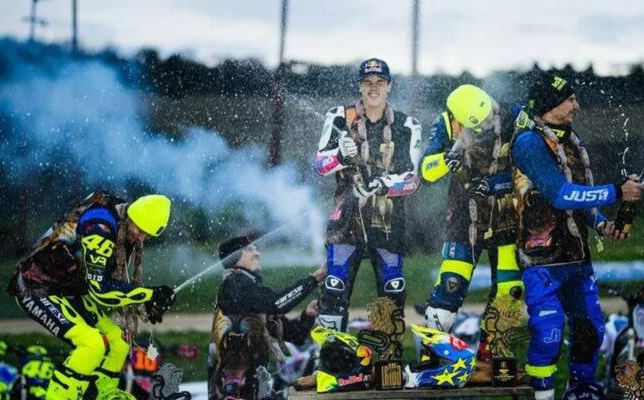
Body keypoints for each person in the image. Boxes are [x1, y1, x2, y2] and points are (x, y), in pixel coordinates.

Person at [510, 72, 644, 400]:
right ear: (550, 105)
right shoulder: (529, 142)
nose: (576, 105)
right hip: (542, 259)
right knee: (549, 333)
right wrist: (616, 191)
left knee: (590, 330)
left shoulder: (570, 138)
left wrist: (600, 225)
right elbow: (560, 195)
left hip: (577, 257)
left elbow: (581, 198)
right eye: (570, 99)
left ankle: (581, 391)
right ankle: (542, 395)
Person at [7, 192, 176, 400]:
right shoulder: (101, 228)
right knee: (92, 344)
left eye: (148, 236)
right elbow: (101, 290)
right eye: (140, 231)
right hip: (35, 287)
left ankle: (106, 394)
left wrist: (145, 303)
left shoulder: (123, 219)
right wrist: (148, 295)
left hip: (69, 288)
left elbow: (113, 281)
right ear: (132, 216)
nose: (141, 238)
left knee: (119, 340)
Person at [313, 58, 422, 332]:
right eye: (367, 83)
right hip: (345, 224)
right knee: (333, 290)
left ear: (389, 86)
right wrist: (340, 155)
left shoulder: (408, 125)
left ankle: (387, 362)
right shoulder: (339, 116)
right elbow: (320, 165)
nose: (373, 88)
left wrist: (383, 185)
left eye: (380, 82)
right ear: (360, 86)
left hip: (387, 227)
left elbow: (413, 180)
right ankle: (330, 363)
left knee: (392, 294)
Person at [420, 84, 523, 364]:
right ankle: (430, 357)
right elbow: (424, 171)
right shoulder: (446, 122)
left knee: (510, 291)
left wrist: (493, 184)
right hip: (465, 220)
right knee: (450, 287)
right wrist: (446, 160)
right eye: (482, 123)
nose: (490, 122)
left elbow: (532, 165)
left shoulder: (515, 115)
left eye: (490, 114)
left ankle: (490, 359)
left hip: (507, 219)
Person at [208, 234, 326, 399]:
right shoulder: (234, 285)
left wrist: (308, 315)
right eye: (250, 249)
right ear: (235, 257)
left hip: (253, 390)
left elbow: (296, 335)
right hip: (232, 392)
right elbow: (277, 304)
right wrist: (316, 278)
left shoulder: (249, 295)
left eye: (256, 248)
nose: (257, 253)